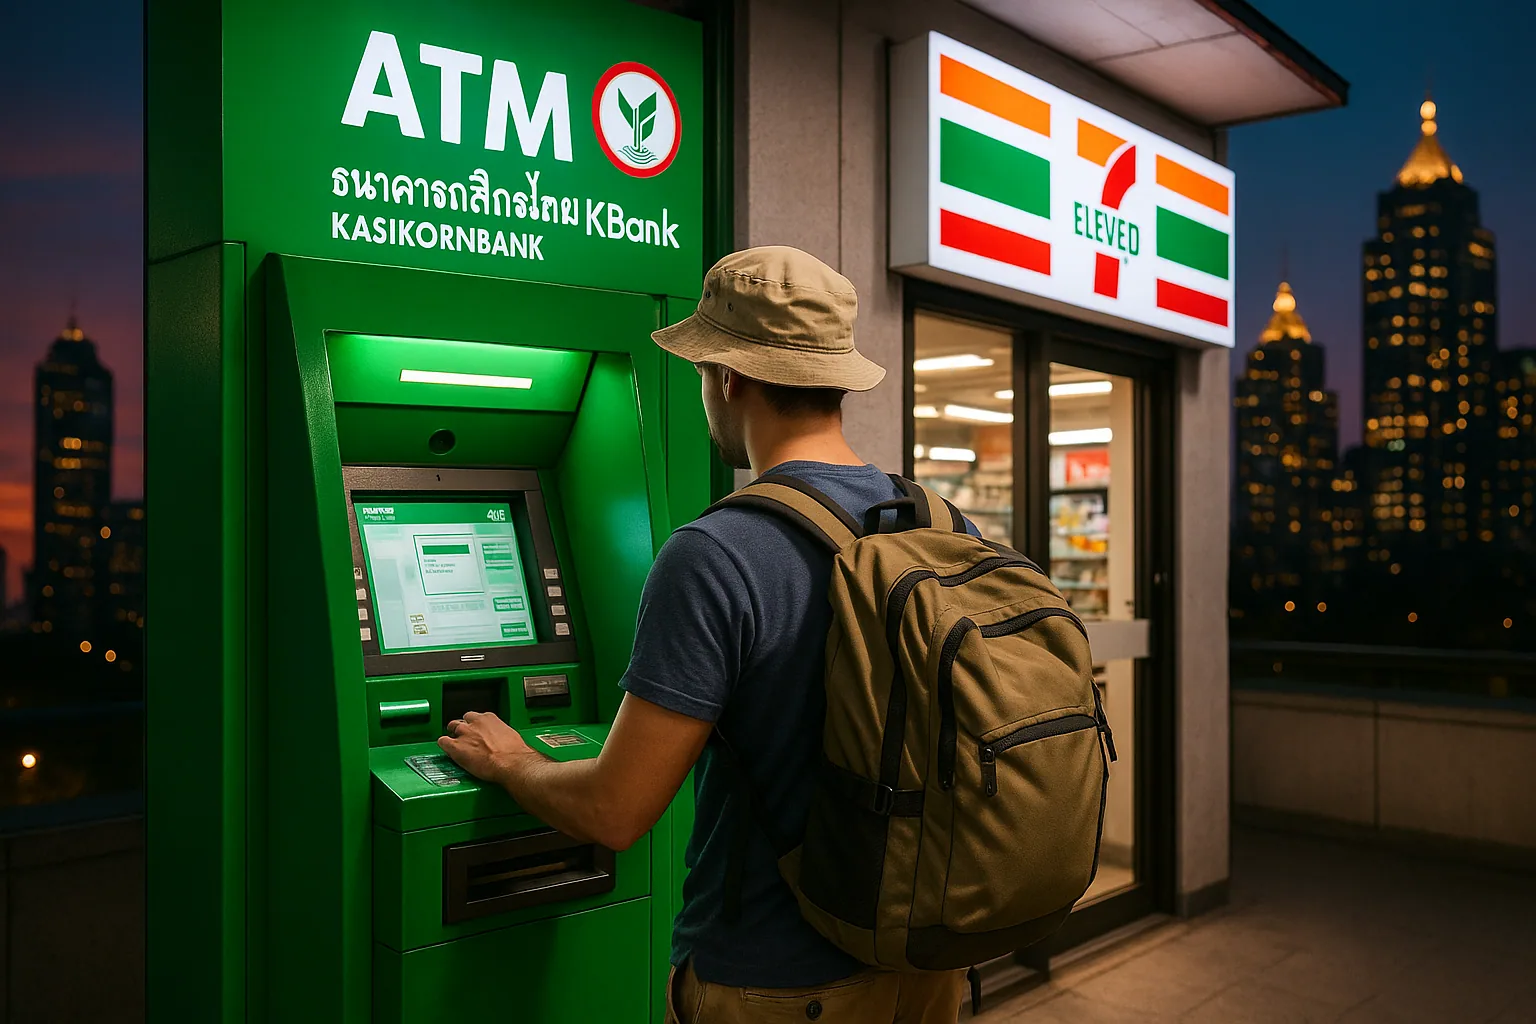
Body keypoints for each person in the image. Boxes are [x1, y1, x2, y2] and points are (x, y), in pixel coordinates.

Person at [439, 246, 969, 1023]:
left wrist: (513, 761)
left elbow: (615, 812)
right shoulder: (940, 525)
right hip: (925, 964)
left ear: (729, 377)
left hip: (775, 982)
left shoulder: (718, 552)